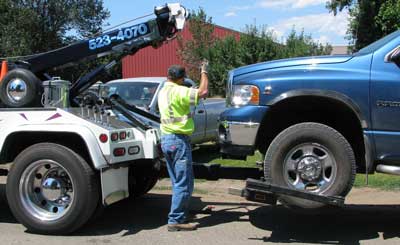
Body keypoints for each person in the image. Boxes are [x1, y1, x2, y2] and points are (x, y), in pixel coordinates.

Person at [158, 61, 209, 232]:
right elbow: (203, 91)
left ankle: (179, 213)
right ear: (181, 78)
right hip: (178, 141)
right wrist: (204, 71)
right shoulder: (180, 90)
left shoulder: (163, 90)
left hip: (166, 139)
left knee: (177, 181)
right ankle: (176, 220)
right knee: (184, 183)